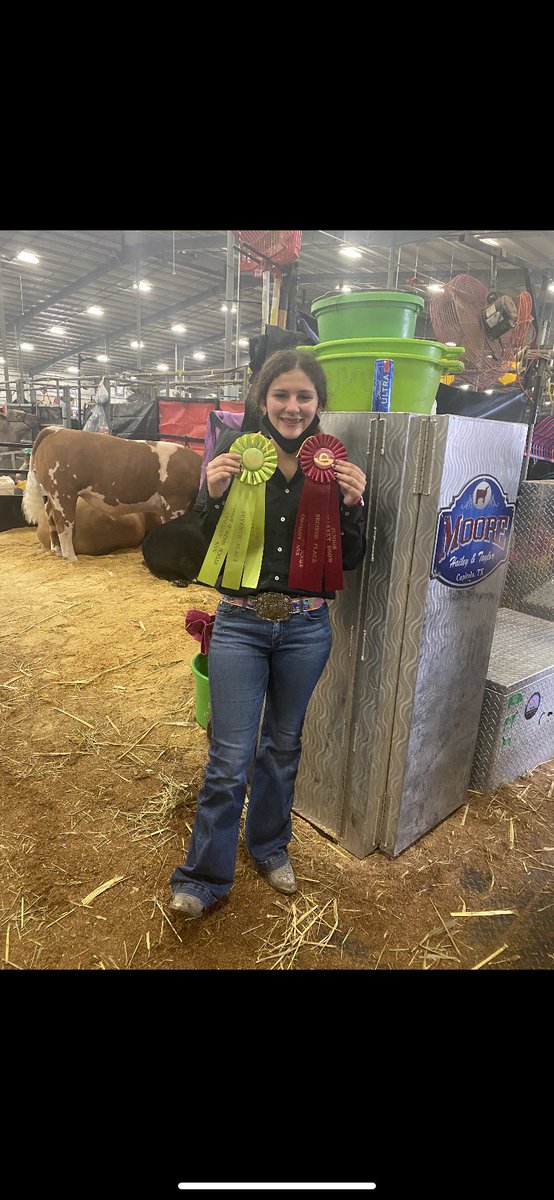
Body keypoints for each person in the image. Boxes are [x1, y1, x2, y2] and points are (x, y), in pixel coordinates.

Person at [169, 349, 367, 918]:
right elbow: (204, 550)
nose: (292, 406)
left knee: (282, 747)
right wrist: (208, 496)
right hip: (240, 625)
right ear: (262, 400)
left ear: (319, 404)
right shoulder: (236, 459)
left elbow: (347, 560)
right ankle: (204, 876)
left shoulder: (331, 467)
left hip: (307, 628)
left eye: (304, 396)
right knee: (230, 757)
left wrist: (354, 505)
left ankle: (270, 848)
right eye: (282, 395)